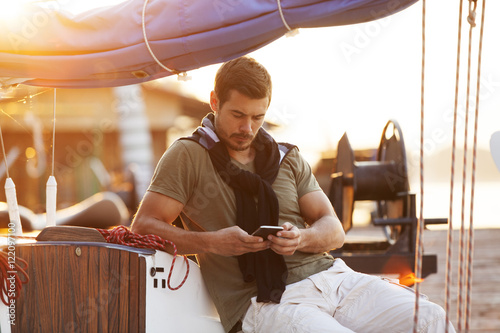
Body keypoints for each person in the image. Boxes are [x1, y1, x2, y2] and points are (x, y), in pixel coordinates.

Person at [131, 56, 454, 333]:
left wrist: (301, 238)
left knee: (429, 318)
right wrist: (214, 243)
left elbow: (333, 229)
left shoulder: (287, 156)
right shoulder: (187, 155)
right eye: (238, 115)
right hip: (263, 301)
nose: (247, 128)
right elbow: (143, 227)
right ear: (215, 102)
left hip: (333, 279)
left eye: (257, 117)